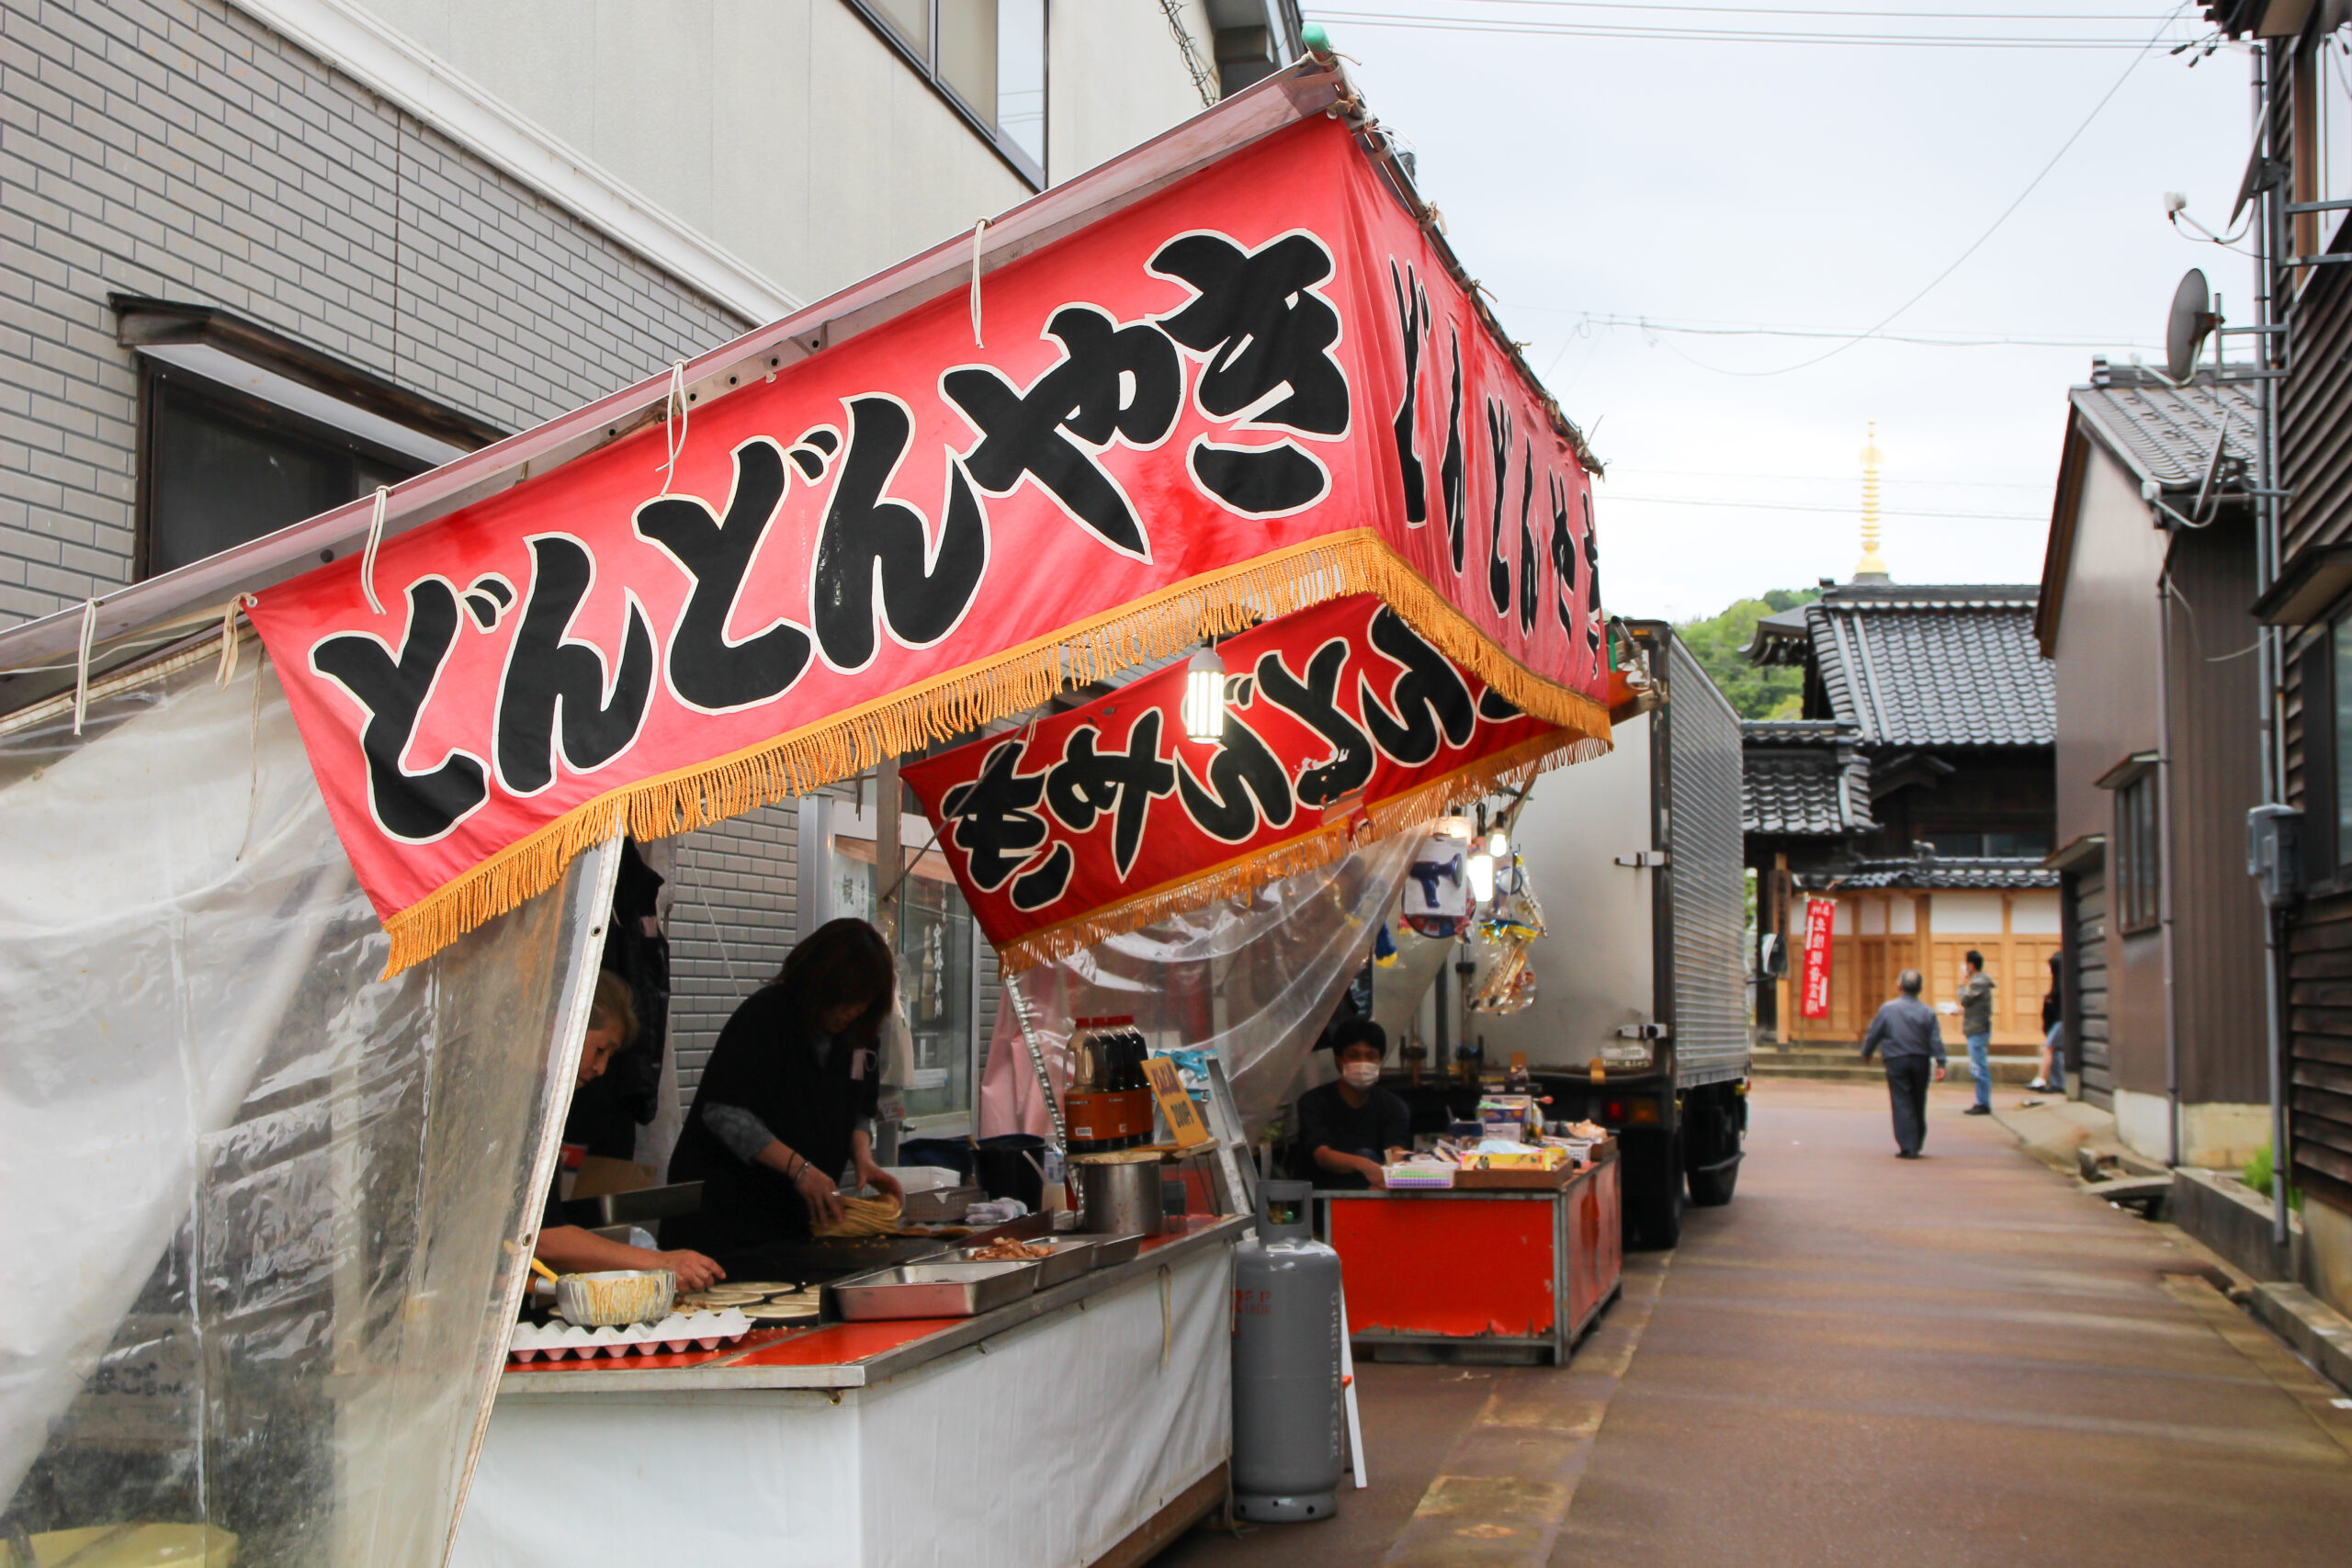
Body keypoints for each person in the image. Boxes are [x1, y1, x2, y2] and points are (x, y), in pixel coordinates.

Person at [662, 919, 906, 1263]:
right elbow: (725, 1112)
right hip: (726, 1215)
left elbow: (859, 1110)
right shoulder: (767, 1016)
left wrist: (864, 1159)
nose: (852, 1010)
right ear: (819, 982)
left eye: (863, 1001)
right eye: (846, 998)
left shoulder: (860, 1035)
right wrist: (800, 1170)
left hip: (796, 1220)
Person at [536, 971, 725, 1290]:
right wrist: (661, 1262)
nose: (601, 1069)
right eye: (600, 1050)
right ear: (561, 1025)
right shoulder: (518, 1109)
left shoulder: (541, 1105)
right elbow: (542, 1238)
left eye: (610, 1055)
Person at [1291, 1019, 1412, 1190]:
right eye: (1354, 1055)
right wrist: (1363, 1165)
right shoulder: (1313, 1103)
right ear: (1338, 1059)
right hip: (1326, 1197)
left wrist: (1387, 1175)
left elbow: (1395, 1149)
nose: (1362, 1063)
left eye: (1370, 1056)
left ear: (1380, 1061)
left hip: (1377, 1193)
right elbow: (1322, 1155)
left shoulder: (1394, 1106)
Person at [1861, 968, 1947, 1159]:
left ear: (1899, 986)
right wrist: (1941, 1062)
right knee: (1918, 1100)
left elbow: (1875, 1032)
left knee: (1901, 1101)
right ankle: (1916, 1142)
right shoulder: (1928, 1012)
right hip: (1920, 1060)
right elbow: (1935, 1039)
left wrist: (1867, 1051)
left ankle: (1907, 1145)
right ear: (1921, 988)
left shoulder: (1887, 1009)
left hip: (1896, 1059)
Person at [1957, 949, 1996, 1116]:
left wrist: (1961, 983)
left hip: (1977, 1029)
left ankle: (1983, 1103)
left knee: (1979, 1067)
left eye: (1966, 964)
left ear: (1971, 965)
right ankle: (1981, 1101)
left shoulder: (1978, 982)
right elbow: (1977, 1006)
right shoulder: (1980, 982)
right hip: (1978, 1027)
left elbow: (1965, 999)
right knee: (1978, 1066)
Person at [2030, 953, 2066, 1094]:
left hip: (2061, 1021)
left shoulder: (2062, 983)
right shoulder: (2059, 982)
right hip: (2059, 1021)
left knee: (2047, 1049)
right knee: (2055, 1052)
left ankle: (2041, 1079)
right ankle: (2058, 1084)